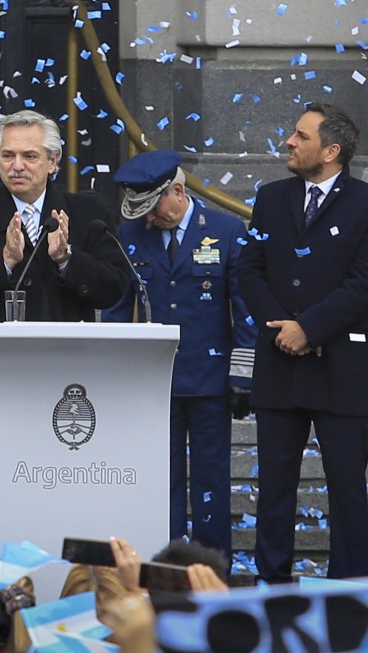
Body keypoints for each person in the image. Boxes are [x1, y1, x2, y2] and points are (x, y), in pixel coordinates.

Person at [0, 110, 131, 563]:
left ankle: (69, 578)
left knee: (62, 488)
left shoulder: (87, 215)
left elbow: (116, 285)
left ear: (54, 161)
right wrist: (1, 261)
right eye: (8, 156)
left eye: (29, 155)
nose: (17, 165)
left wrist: (67, 261)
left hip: (68, 385)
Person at [237, 101, 368, 581]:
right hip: (278, 362)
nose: (289, 141)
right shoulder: (270, 197)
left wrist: (310, 328)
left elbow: (367, 283)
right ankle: (272, 585)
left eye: (300, 136)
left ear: (330, 151)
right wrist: (282, 330)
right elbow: (249, 270)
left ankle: (349, 588)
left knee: (347, 488)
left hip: (340, 368)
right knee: (274, 487)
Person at [103, 150, 256, 557]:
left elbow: (244, 309)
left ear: (177, 190)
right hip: (154, 383)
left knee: (211, 484)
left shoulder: (225, 230)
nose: (149, 219)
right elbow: (116, 312)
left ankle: (212, 574)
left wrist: (243, 374)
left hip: (210, 380)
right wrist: (114, 376)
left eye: (155, 208)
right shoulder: (130, 234)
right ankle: (166, 572)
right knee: (161, 484)